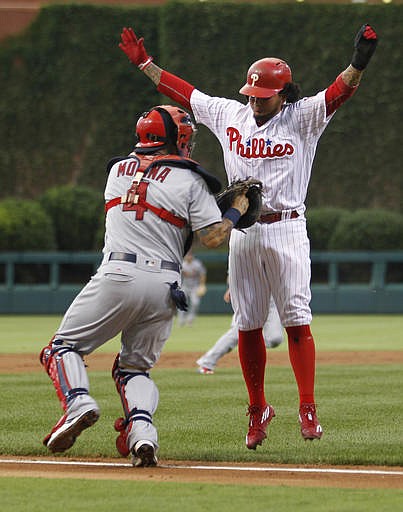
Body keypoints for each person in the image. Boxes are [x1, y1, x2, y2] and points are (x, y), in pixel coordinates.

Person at [118, 24, 378, 449]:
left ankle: (308, 408)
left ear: (283, 93)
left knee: (297, 320)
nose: (254, 102)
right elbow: (185, 94)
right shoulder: (230, 114)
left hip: (288, 227)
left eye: (263, 97)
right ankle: (257, 410)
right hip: (243, 231)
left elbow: (339, 92)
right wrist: (146, 65)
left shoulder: (304, 116)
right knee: (247, 325)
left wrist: (360, 60)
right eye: (250, 95)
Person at [39, 105, 249, 467]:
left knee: (61, 348)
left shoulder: (116, 171)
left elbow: (149, 199)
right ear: (178, 138)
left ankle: (79, 403)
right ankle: (142, 434)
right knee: (134, 369)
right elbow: (213, 237)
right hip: (165, 286)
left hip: (118, 274)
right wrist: (235, 210)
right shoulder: (191, 179)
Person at [197, 288, 284, 375]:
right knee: (236, 333)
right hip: (252, 295)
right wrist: (232, 288)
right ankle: (207, 362)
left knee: (275, 339)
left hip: (273, 298)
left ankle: (246, 342)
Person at [177, 250, 207, 326]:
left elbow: (202, 274)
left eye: (190, 255)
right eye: (187, 255)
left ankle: (190, 319)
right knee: (182, 302)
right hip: (185, 286)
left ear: (192, 256)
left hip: (195, 287)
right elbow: (177, 275)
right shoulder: (182, 264)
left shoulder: (197, 264)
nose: (189, 257)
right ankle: (181, 320)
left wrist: (202, 285)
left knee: (195, 303)